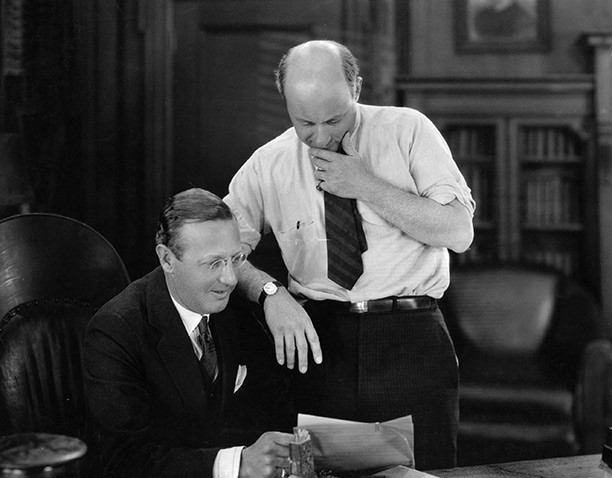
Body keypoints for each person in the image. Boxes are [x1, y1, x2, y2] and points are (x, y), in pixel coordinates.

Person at [224, 40, 475, 470]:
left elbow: (458, 231)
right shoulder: (269, 163)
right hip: (319, 343)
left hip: (411, 338)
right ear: (282, 97)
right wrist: (270, 293)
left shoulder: (408, 129)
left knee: (422, 474)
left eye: (335, 119)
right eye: (305, 123)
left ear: (356, 87)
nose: (321, 137)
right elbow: (222, 251)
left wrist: (366, 185)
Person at [83, 188, 295, 478]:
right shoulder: (115, 331)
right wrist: (238, 464)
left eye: (236, 259)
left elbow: (273, 404)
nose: (230, 279)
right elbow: (123, 461)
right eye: (213, 263)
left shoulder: (232, 306)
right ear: (167, 259)